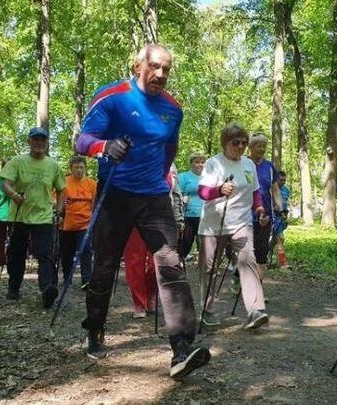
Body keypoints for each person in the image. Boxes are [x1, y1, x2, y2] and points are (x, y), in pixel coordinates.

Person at [75, 43, 210, 378]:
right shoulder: (113, 97)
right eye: (155, 66)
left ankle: (181, 349)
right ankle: (95, 329)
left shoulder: (173, 109)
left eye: (167, 69)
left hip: (153, 196)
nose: (161, 74)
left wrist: (159, 175)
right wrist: (105, 146)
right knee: (105, 266)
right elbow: (82, 140)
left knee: (171, 264)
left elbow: (171, 146)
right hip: (115, 194)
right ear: (138, 65)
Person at [197, 122, 269, 329]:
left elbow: (255, 193)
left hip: (241, 222)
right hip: (213, 224)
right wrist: (219, 190)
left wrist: (259, 210)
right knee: (209, 268)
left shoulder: (248, 164)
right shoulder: (213, 163)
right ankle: (206, 309)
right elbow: (202, 192)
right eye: (235, 142)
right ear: (225, 143)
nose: (240, 146)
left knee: (248, 261)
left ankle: (255, 310)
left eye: (244, 143)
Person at [0, 126, 66, 308]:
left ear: (46, 143)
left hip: (43, 217)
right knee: (16, 254)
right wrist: (14, 195)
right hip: (19, 216)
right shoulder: (17, 161)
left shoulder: (53, 165)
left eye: (42, 140)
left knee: (45, 255)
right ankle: (13, 288)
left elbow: (62, 190)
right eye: (35, 139)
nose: (39, 143)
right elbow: (5, 183)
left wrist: (59, 212)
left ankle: (47, 290)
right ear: (29, 141)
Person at [123, 165, 182, 318]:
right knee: (135, 262)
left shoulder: (171, 166)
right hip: (132, 219)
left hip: (160, 219)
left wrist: (178, 218)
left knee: (157, 261)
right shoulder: (132, 161)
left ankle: (151, 296)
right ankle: (139, 303)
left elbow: (175, 194)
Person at [247, 134, 282, 281]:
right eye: (258, 146)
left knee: (261, 252)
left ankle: (257, 290)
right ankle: (238, 276)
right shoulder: (243, 164)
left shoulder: (269, 167)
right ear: (250, 148)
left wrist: (279, 205)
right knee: (247, 252)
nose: (262, 149)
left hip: (265, 214)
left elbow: (275, 190)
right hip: (245, 214)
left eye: (264, 146)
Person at [59, 156, 96, 289]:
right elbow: (55, 199)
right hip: (67, 224)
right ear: (71, 169)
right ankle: (67, 277)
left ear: (85, 168)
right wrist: (59, 211)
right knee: (66, 252)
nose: (79, 170)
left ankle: (86, 279)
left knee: (85, 250)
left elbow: (96, 203)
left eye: (81, 167)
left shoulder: (92, 184)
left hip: (85, 223)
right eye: (76, 168)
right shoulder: (64, 182)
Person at [178, 152, 206, 261]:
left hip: (205, 216)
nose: (200, 164)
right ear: (191, 164)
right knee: (186, 242)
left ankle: (205, 268)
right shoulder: (183, 177)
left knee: (204, 245)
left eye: (203, 162)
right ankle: (178, 264)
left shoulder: (209, 177)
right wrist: (183, 198)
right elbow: (177, 194)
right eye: (197, 162)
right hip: (188, 215)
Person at [273, 171, 290, 268]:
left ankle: (263, 256)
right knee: (280, 238)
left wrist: (285, 214)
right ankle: (283, 263)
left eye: (284, 180)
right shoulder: (271, 189)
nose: (283, 182)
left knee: (274, 241)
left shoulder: (286, 190)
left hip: (282, 217)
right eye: (281, 180)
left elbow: (285, 203)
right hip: (273, 216)